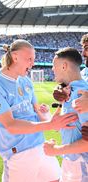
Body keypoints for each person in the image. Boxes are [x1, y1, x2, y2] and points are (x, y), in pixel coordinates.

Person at [0, 39, 78, 182]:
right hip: (18, 153)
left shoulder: (26, 80)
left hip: (41, 145)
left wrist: (50, 118)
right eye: (29, 59)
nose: (32, 64)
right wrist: (50, 125)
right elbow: (11, 125)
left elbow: (37, 113)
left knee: (56, 179)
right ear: (15, 57)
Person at [43, 47, 88, 182]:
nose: (52, 69)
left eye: (54, 65)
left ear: (64, 65)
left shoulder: (81, 94)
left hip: (80, 164)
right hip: (72, 161)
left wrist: (55, 150)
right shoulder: (70, 90)